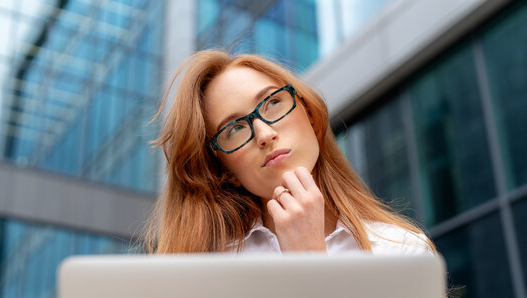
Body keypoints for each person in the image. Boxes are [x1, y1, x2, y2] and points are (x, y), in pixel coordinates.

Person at [143, 49, 435, 255]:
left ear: (308, 112)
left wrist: (308, 258)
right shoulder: (208, 271)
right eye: (234, 129)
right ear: (225, 169)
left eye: (272, 103)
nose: (265, 134)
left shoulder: (400, 250)